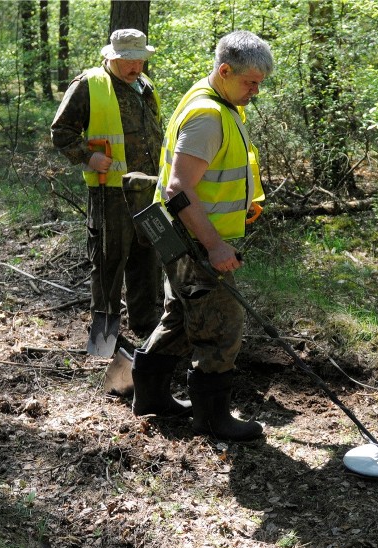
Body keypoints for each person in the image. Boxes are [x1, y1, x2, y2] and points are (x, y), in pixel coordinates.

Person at [130, 31, 272, 440]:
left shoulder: (216, 100)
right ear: (224, 71)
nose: (255, 91)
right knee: (221, 326)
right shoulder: (208, 115)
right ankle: (213, 419)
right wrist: (213, 245)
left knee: (180, 316)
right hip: (195, 243)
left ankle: (152, 397)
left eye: (259, 83)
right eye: (250, 82)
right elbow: (178, 188)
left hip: (183, 238)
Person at [51, 29, 163, 341]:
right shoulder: (89, 84)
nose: (135, 66)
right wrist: (87, 157)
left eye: (140, 59)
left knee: (149, 263)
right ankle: (104, 340)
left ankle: (146, 331)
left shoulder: (146, 87)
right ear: (111, 57)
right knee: (107, 264)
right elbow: (61, 132)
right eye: (128, 60)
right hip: (110, 193)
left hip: (149, 192)